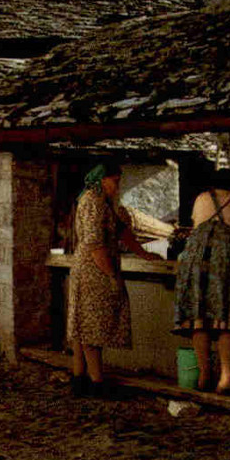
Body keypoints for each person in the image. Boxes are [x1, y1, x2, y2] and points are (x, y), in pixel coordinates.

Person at [69, 161, 159, 397]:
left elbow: (121, 231)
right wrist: (110, 275)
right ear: (102, 179)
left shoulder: (104, 202)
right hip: (92, 269)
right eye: (115, 182)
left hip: (93, 266)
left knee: (83, 325)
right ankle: (97, 382)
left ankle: (80, 379)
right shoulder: (92, 201)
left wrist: (143, 253)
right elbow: (94, 243)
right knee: (91, 326)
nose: (117, 187)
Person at [172, 168, 230, 395]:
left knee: (198, 317)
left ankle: (203, 375)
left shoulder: (201, 198)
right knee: (226, 317)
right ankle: (226, 378)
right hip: (226, 259)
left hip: (195, 258)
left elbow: (197, 228)